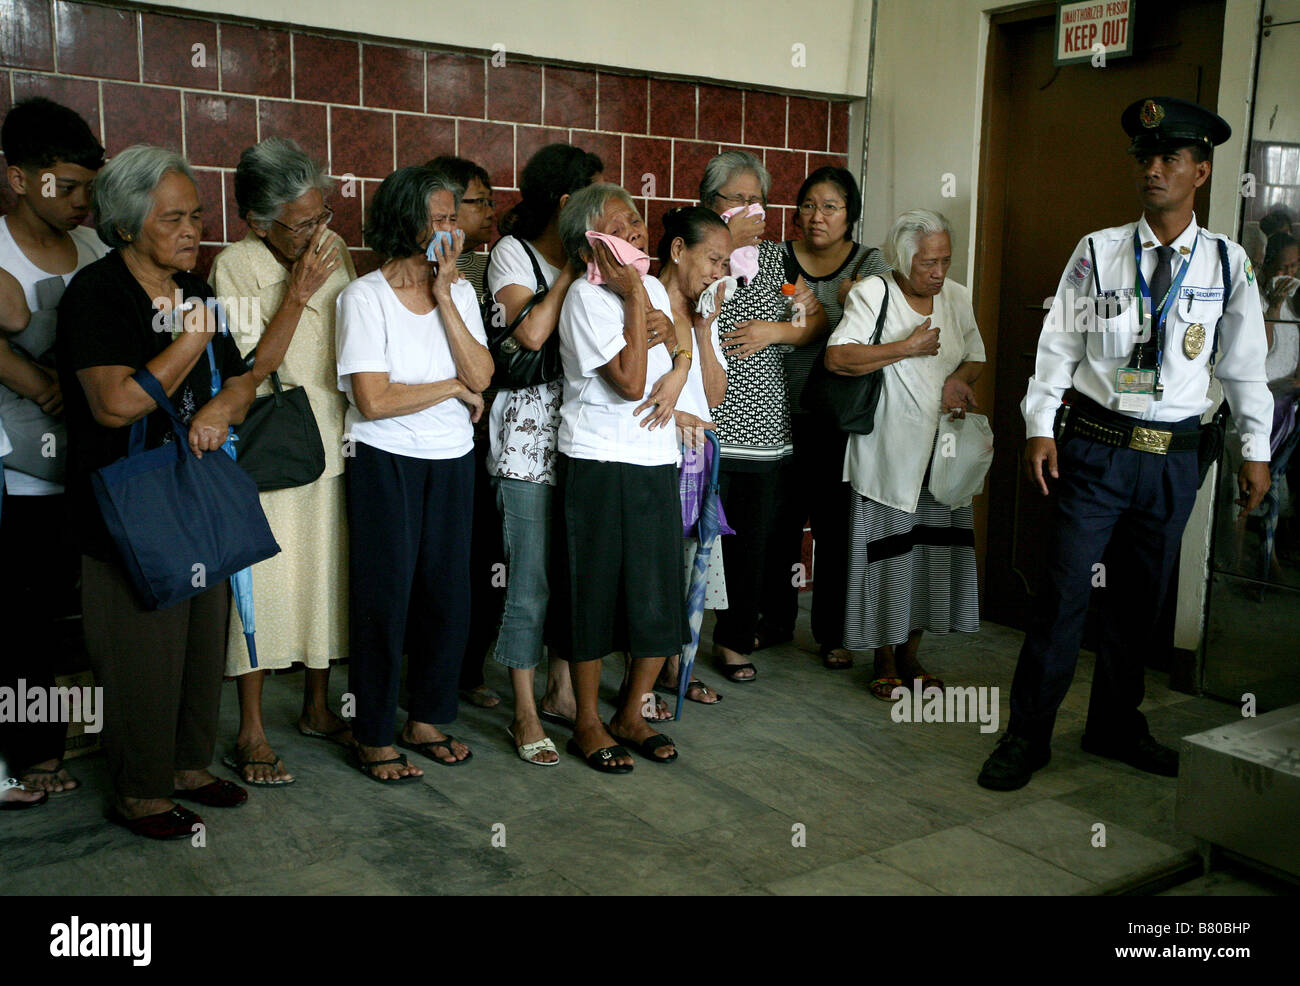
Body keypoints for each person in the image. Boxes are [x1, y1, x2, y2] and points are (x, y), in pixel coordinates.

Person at [979, 97, 1273, 791]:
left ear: (1200, 171)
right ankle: (1029, 735)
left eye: (1171, 158)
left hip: (1173, 457)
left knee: (1139, 602)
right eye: (1146, 158)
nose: (1154, 170)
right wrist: (1041, 426)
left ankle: (1114, 723)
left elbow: (1244, 367)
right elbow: (1059, 348)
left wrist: (1254, 449)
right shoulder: (1098, 251)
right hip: (1097, 449)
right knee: (1063, 597)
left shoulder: (1228, 266)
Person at [58, 145, 258, 837]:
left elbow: (241, 379)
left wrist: (219, 408)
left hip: (195, 492)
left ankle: (186, 766)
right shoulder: (97, 295)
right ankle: (139, 789)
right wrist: (186, 344)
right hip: (127, 503)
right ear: (123, 227)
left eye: (197, 214)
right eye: (172, 218)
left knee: (204, 641)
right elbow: (113, 403)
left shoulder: (197, 292)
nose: (191, 229)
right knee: (144, 651)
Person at [335, 165, 492, 783]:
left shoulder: (461, 293)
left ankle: (426, 717)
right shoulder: (363, 297)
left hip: (451, 459)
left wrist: (448, 296)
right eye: (441, 218)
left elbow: (482, 377)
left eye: (456, 218)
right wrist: (449, 385)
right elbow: (373, 399)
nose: (452, 230)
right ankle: (371, 731)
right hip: (383, 460)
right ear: (407, 221)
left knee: (448, 594)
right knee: (385, 597)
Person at [212, 138, 355, 786]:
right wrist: (296, 294)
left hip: (335, 431)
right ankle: (251, 728)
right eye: (302, 224)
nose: (317, 232)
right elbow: (248, 368)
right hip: (274, 439)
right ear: (257, 221)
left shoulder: (335, 250)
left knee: (324, 576)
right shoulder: (233, 266)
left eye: (321, 217)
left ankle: (317, 706)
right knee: (264, 586)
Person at [555, 182, 689, 771]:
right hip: (599, 463)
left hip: (654, 461)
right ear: (593, 245)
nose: (636, 232)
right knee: (593, 597)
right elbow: (630, 382)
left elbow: (677, 344)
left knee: (656, 596)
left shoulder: (655, 285)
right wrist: (633, 296)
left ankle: (631, 712)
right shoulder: (586, 301)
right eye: (620, 225)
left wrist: (681, 363)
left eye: (637, 220)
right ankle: (587, 721)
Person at [827, 210, 984, 698]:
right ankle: (884, 658)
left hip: (943, 455)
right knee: (888, 558)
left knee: (930, 558)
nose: (938, 273)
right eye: (928, 263)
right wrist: (905, 347)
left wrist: (960, 380)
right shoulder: (874, 292)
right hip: (888, 455)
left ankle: (913, 655)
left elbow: (975, 353)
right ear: (902, 258)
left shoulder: (955, 297)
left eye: (945, 261)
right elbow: (838, 356)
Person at [0, 98, 107, 800]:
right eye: (64, 188)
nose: (79, 203)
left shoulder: (97, 252)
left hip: (94, 468)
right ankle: (35, 755)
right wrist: (38, 382)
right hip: (21, 474)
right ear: (18, 178)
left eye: (86, 191)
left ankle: (100, 738)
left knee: (93, 613)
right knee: (25, 622)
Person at [485, 143, 601, 764]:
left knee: (572, 578)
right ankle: (524, 712)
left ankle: (561, 691)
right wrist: (570, 271)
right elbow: (527, 332)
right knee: (527, 584)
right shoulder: (513, 254)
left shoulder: (603, 267)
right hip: (525, 451)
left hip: (583, 446)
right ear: (566, 205)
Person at [700, 150, 826, 682]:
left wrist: (777, 331)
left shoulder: (779, 263)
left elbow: (813, 321)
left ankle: (732, 641)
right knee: (691, 539)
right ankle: (664, 649)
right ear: (713, 204)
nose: (752, 209)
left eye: (759, 200)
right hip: (704, 421)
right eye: (740, 199)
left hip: (763, 426)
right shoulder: (700, 255)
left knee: (749, 540)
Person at [762, 166, 889, 670]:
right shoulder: (775, 257)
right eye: (809, 205)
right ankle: (773, 622)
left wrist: (849, 298)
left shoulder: (871, 262)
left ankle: (832, 633)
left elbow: (882, 325)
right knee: (780, 525)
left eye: (830, 207)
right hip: (780, 409)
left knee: (836, 528)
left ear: (850, 216)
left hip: (840, 416)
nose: (817, 217)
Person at [427, 153, 504, 711]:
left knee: (478, 558)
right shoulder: (421, 273)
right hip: (426, 432)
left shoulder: (482, 269)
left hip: (478, 424)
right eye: (476, 202)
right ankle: (432, 672)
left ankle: (465, 669)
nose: (487, 212)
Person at [654, 206, 730, 704]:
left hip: (698, 457)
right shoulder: (645, 302)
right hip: (654, 453)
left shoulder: (702, 314)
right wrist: (678, 420)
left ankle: (677, 666)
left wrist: (703, 331)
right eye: (712, 259)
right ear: (678, 250)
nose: (718, 273)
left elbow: (716, 394)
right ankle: (651, 671)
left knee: (692, 568)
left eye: (724, 264)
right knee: (656, 570)